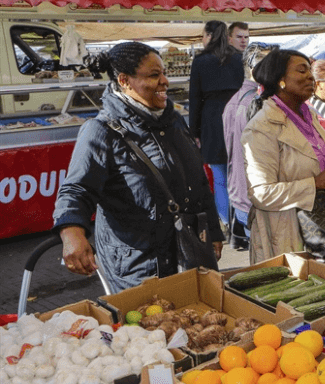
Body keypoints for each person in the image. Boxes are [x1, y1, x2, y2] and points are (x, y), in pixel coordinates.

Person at [54, 42, 224, 293]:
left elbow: (198, 181)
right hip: (139, 266)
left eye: (164, 73)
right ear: (124, 81)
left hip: (189, 252)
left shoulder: (174, 120)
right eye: (155, 75)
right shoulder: (100, 131)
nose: (165, 81)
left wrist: (212, 231)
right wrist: (72, 234)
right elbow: (77, 189)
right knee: (151, 329)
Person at [242, 50, 325, 262]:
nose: (310, 77)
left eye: (310, 71)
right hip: (285, 232)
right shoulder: (261, 128)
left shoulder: (308, 115)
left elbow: (306, 159)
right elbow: (261, 194)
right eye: (301, 71)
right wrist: (315, 184)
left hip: (321, 227)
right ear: (281, 80)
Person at [189, 21, 244, 233]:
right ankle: (242, 220)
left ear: (209, 35)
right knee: (239, 173)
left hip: (212, 119)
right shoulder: (238, 58)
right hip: (238, 116)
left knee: (220, 177)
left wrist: (194, 132)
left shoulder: (201, 61)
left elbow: (194, 98)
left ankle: (226, 223)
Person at [222, 42, 275, 254]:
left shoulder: (233, 101)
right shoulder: (257, 103)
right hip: (257, 198)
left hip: (241, 194)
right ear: (254, 68)